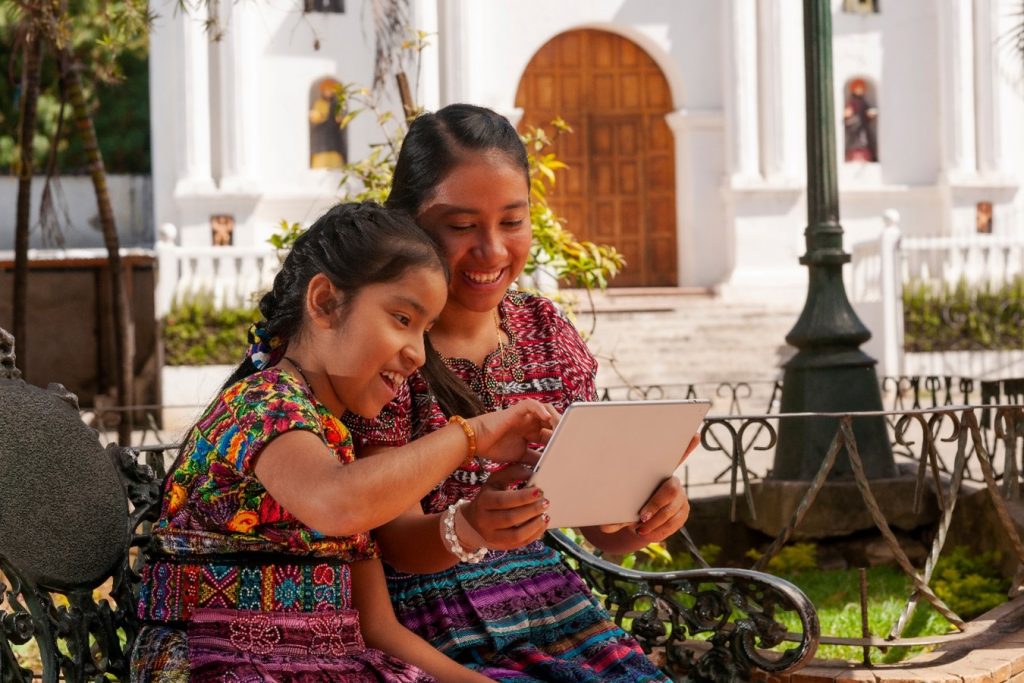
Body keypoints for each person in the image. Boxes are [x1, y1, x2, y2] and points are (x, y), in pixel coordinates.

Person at [130, 202, 558, 682]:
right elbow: (337, 500)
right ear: (325, 303)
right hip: (220, 661)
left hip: (327, 665)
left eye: (425, 330)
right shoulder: (261, 403)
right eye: (401, 319)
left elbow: (377, 628)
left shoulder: (336, 443)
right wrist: (471, 434)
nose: (418, 353)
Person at [344, 104, 694, 682]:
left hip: (558, 610)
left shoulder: (543, 330)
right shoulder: (392, 349)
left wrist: (650, 513)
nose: (492, 251)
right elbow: (392, 539)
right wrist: (473, 525)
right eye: (460, 227)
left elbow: (603, 527)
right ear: (407, 224)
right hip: (431, 624)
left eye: (512, 221)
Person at [844, 78, 878, 162]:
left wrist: (870, 114)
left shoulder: (863, 101)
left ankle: (868, 156)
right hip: (855, 126)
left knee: (865, 140)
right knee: (856, 141)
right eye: (857, 89)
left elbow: (867, 112)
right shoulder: (852, 101)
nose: (859, 91)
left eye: (861, 89)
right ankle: (854, 156)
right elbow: (848, 113)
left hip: (863, 126)